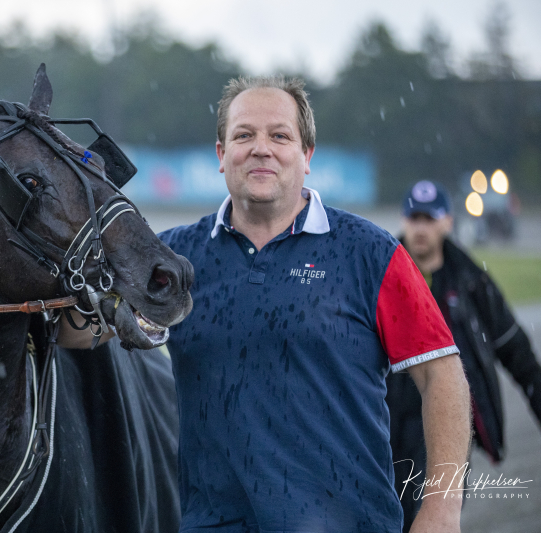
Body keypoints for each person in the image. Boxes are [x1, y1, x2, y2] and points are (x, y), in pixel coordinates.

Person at [63, 77, 471, 532]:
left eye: (279, 135)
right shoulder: (173, 260)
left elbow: (441, 374)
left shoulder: (371, 252)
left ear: (306, 155)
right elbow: (77, 332)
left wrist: (442, 509)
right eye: (244, 135)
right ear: (222, 154)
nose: (261, 149)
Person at [386, 180, 541, 532]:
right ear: (403, 219)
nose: (421, 228)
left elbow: (516, 351)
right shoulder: (379, 275)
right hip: (386, 425)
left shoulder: (471, 281)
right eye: (414, 218)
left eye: (430, 219)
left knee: (434, 522)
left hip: (447, 427)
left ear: (448, 222)